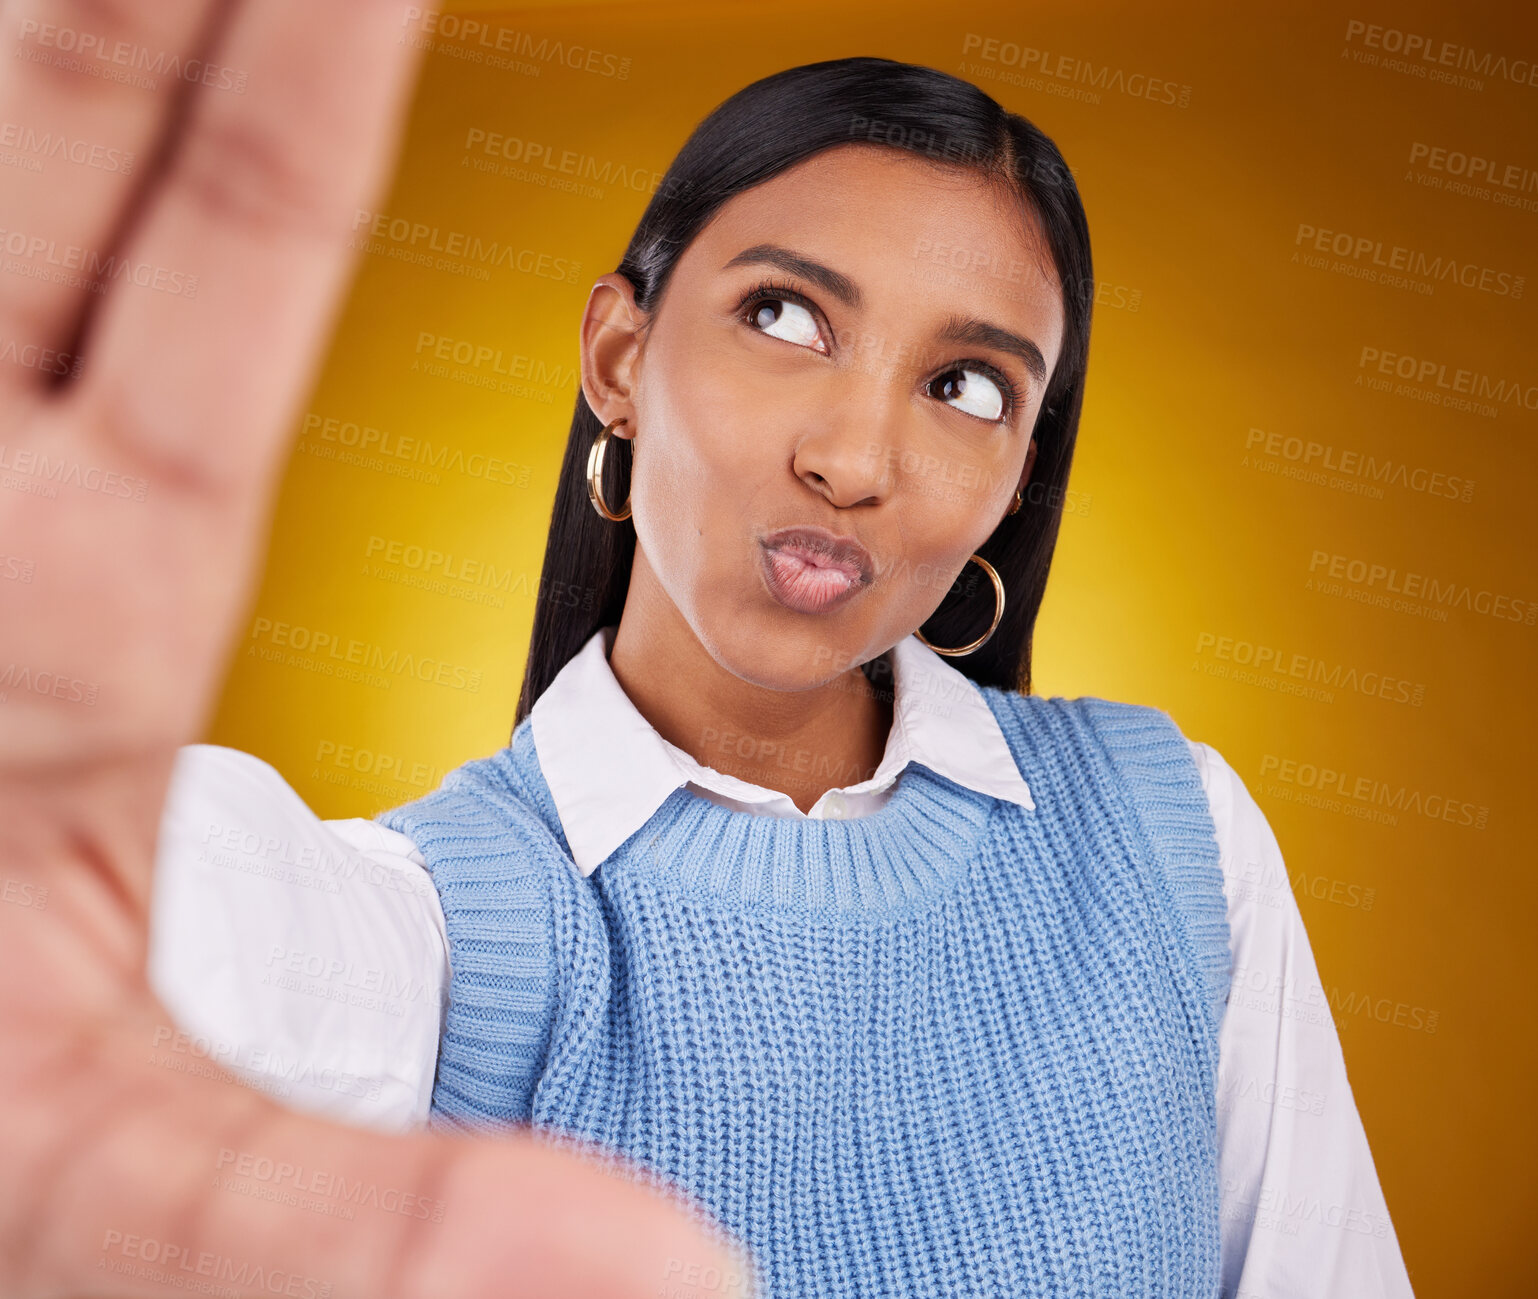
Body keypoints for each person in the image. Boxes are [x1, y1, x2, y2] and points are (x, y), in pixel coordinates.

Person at [0, 7, 1409, 1297]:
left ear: (1015, 478)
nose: (853, 461)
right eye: (783, 315)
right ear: (618, 354)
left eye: (965, 387)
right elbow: (183, 927)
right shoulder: (445, 927)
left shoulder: (1173, 838)